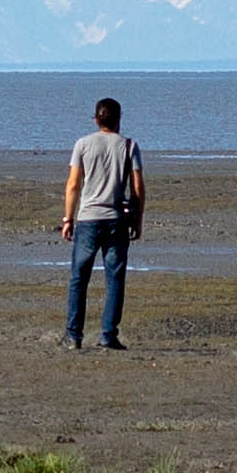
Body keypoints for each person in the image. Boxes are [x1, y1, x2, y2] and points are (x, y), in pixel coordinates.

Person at [58, 96, 145, 348]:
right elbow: (138, 187)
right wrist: (138, 219)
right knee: (114, 278)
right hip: (116, 220)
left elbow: (73, 184)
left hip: (88, 219)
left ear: (97, 120)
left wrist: (68, 218)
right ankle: (108, 334)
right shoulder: (129, 145)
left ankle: (74, 335)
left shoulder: (83, 144)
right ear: (118, 121)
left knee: (78, 277)